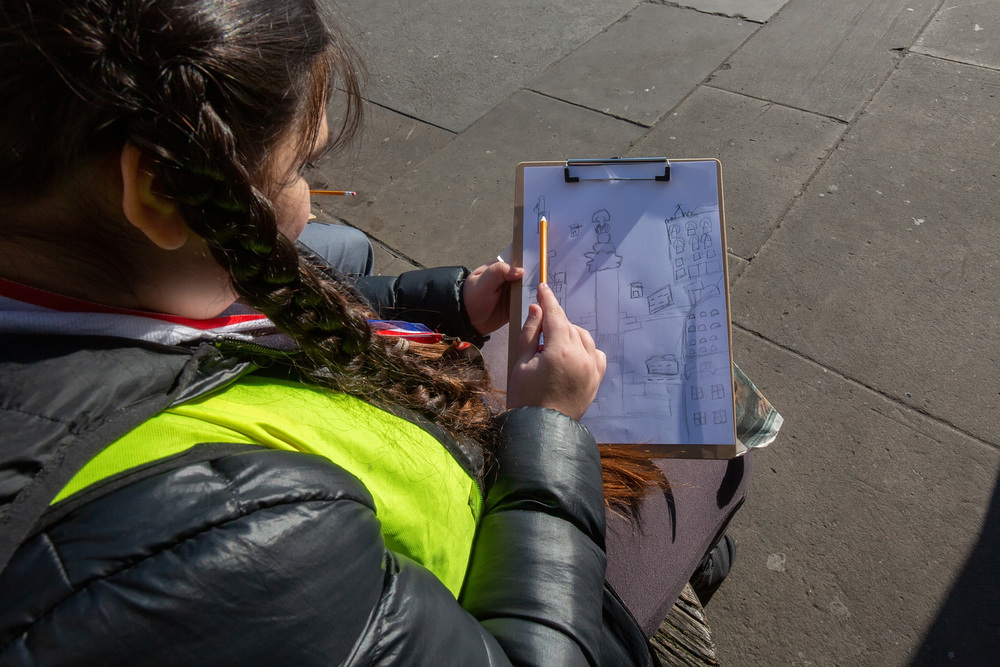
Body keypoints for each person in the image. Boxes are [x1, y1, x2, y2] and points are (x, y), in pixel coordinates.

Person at [0, 0, 759, 664]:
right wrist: (546, 427)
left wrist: (447, 301)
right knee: (705, 468)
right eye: (304, 167)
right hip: (505, 577)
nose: (313, 204)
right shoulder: (228, 542)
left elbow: (242, 315)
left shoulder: (84, 270)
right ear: (162, 192)